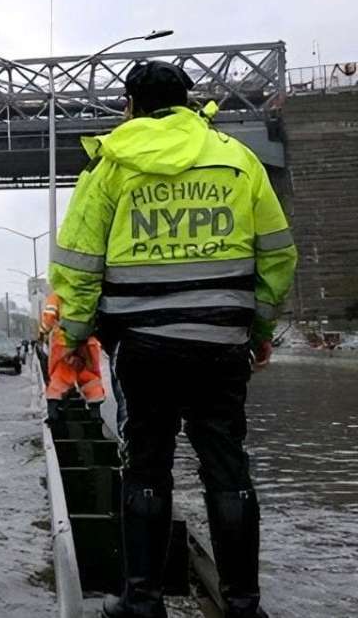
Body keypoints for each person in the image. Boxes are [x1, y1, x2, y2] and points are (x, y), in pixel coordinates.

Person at [49, 60, 297, 618]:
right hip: (220, 345)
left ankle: (142, 601)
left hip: (143, 347)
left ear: (129, 107)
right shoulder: (237, 161)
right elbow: (277, 253)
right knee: (227, 468)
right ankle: (243, 604)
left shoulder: (111, 165)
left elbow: (80, 265)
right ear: (190, 102)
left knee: (146, 466)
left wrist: (73, 334)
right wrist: (257, 327)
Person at [39, 291, 106, 423]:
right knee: (90, 377)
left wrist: (42, 332)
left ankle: (53, 413)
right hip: (88, 339)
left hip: (65, 341)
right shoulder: (91, 292)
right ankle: (95, 414)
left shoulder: (59, 294)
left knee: (60, 374)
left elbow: (49, 317)